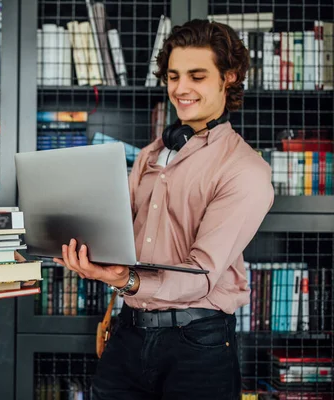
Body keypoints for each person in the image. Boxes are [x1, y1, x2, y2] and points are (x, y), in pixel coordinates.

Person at [54, 19, 274, 399]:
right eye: (173, 76)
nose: (180, 89)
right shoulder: (151, 154)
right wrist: (79, 248)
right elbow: (117, 231)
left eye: (197, 76)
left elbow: (201, 273)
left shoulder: (246, 171)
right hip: (128, 331)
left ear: (229, 77)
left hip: (199, 344)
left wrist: (126, 280)